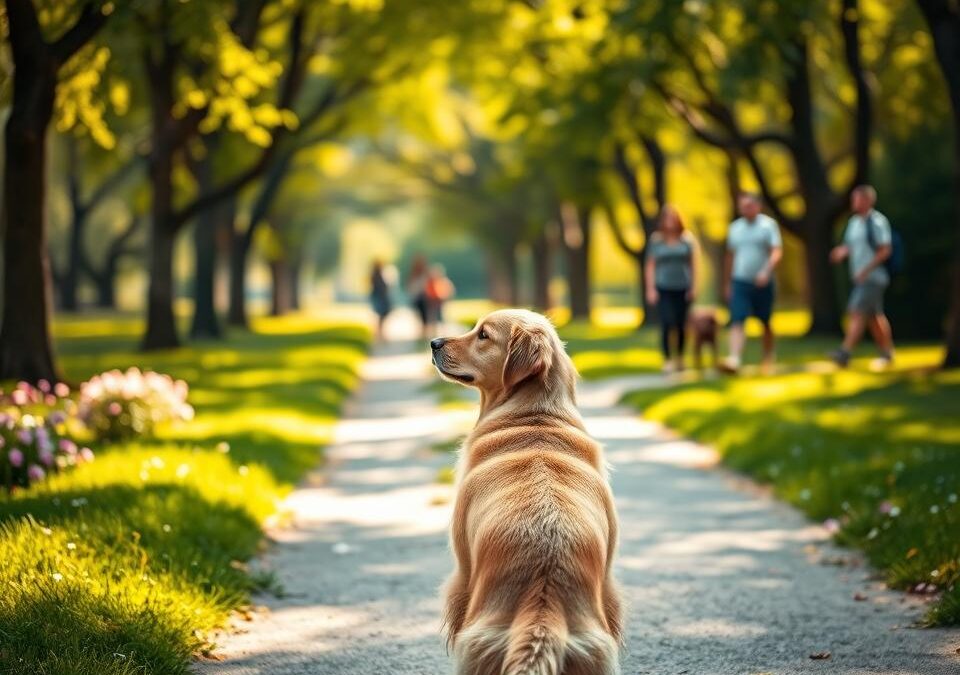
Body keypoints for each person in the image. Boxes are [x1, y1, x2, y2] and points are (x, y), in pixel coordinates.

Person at [828, 185, 896, 368]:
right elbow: (850, 246)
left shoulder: (877, 222)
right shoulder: (854, 223)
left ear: (868, 200)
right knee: (875, 318)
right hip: (861, 278)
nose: (854, 203)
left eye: (857, 199)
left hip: (873, 278)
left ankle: (844, 352)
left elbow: (885, 250)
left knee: (856, 312)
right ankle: (887, 353)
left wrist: (865, 270)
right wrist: (841, 252)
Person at [720, 192, 783, 374]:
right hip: (740, 280)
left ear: (757, 206)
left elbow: (776, 251)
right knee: (737, 318)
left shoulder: (768, 226)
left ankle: (768, 356)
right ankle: (734, 359)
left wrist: (766, 271)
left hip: (763, 281)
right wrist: (727, 283)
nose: (745, 209)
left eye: (748, 206)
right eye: (742, 206)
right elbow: (730, 256)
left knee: (765, 321)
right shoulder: (735, 228)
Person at [644, 205, 700, 373]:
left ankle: (680, 357)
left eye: (673, 218)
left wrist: (694, 286)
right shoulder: (656, 240)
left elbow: (694, 264)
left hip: (683, 287)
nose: (670, 222)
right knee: (667, 322)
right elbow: (650, 266)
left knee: (681, 324)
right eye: (667, 218)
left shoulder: (687, 239)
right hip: (663, 287)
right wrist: (650, 288)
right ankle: (668, 359)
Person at [426, 264, 455, 332]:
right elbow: (428, 293)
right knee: (433, 319)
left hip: (441, 303)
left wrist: (443, 298)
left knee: (442, 318)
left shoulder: (444, 281)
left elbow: (449, 291)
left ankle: (443, 331)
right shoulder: (431, 283)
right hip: (433, 304)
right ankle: (434, 331)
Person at [369, 259, 393, 341]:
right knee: (381, 315)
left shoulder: (379, 275)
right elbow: (381, 287)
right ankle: (379, 333)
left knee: (382, 316)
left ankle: (379, 332)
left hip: (380, 298)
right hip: (380, 298)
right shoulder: (376, 276)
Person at [407, 254, 430, 339]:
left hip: (421, 297)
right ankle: (424, 334)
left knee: (423, 317)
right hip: (421, 297)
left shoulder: (416, 273)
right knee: (424, 317)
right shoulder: (421, 273)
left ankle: (423, 334)